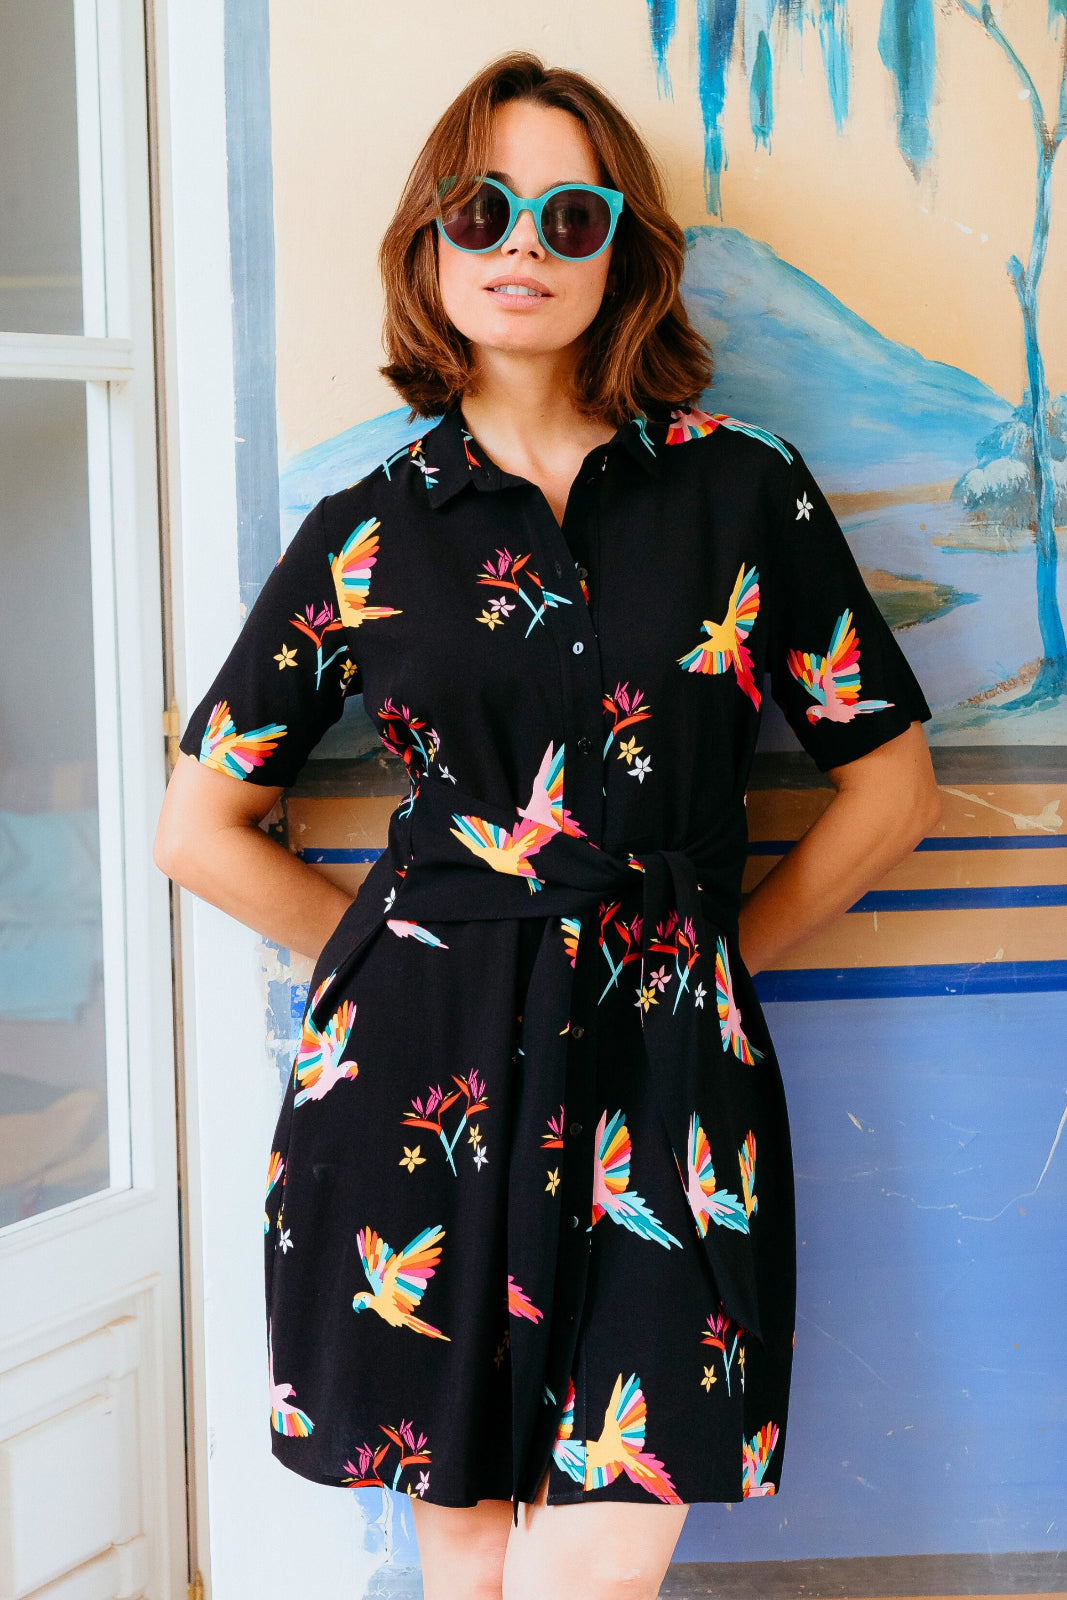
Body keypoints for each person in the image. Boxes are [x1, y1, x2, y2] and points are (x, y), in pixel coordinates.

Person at [154, 50, 941, 1600]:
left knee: (598, 1566)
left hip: (668, 1077)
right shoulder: (365, 531)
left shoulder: (743, 493)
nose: (523, 244)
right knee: (467, 1569)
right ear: (430, 241)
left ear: (620, 254)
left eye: (569, 216)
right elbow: (200, 825)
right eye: (483, 209)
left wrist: (713, 962)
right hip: (422, 1082)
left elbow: (892, 789)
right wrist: (396, 960)